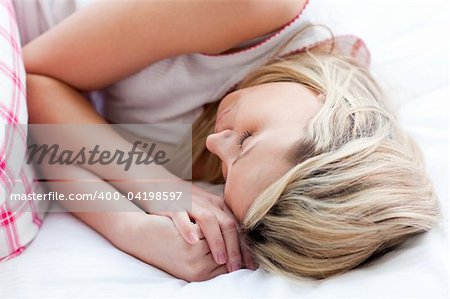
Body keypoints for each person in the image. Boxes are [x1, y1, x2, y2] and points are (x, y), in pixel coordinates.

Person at [14, 0, 439, 282]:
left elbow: (47, 144)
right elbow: (33, 77)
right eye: (248, 138)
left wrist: (136, 230)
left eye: (227, 168)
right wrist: (157, 184)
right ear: (332, 109)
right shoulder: (251, 9)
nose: (218, 144)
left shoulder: (249, 175)